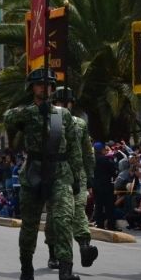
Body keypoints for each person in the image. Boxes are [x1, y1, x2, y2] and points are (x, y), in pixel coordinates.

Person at [3, 69, 83, 280]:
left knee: (62, 221)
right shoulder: (26, 113)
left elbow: (74, 148)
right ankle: (26, 270)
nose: (44, 89)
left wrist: (76, 176)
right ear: (32, 88)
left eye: (48, 85)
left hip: (59, 172)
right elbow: (8, 118)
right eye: (39, 85)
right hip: (34, 173)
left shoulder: (63, 115)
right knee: (30, 226)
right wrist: (35, 111)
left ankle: (66, 273)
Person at [44, 88, 98, 269]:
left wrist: (89, 177)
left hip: (76, 173)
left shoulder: (80, 124)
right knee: (55, 215)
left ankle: (84, 245)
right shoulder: (47, 121)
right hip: (55, 173)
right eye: (59, 102)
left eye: (66, 102)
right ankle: (53, 252)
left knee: (78, 209)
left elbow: (87, 153)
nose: (63, 105)